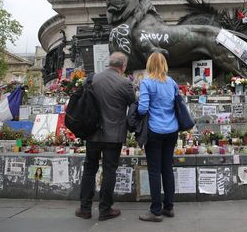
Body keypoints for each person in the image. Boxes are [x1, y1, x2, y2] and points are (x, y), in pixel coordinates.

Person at [76, 52, 135, 221]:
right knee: (109, 171)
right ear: (123, 66)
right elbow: (134, 104)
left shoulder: (92, 79)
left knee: (89, 169)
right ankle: (105, 209)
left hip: (92, 133)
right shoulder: (125, 83)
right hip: (114, 135)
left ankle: (85, 208)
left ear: (108, 63)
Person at [137, 52, 179, 222]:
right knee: (167, 168)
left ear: (149, 65)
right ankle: (169, 207)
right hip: (172, 131)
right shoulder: (172, 82)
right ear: (164, 65)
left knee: (154, 171)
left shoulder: (146, 83)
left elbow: (142, 109)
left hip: (154, 131)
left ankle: (155, 211)